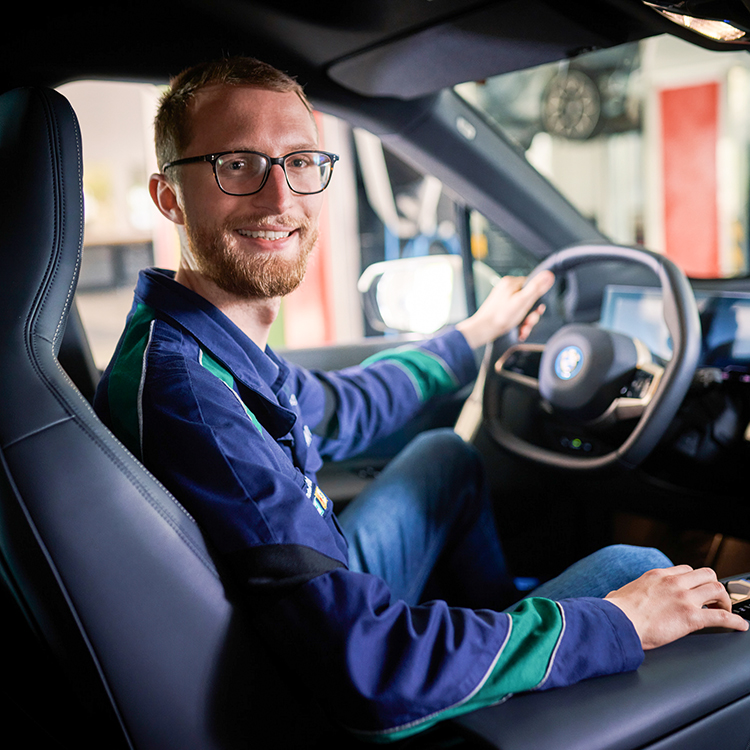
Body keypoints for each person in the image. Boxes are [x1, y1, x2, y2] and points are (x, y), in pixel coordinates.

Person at [94, 56, 747, 743]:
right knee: (640, 571)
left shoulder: (201, 345)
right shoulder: (191, 397)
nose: (280, 198)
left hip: (312, 609)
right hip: (323, 694)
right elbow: (370, 668)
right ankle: (505, 674)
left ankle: (499, 646)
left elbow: (342, 410)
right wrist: (617, 621)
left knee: (446, 460)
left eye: (300, 162)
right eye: (238, 165)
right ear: (169, 196)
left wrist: (476, 334)